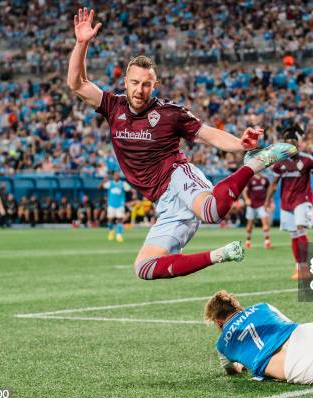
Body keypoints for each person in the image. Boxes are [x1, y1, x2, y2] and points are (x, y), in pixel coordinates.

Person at [67, 8, 297, 280]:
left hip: (177, 176)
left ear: (155, 85)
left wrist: (241, 144)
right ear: (125, 82)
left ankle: (253, 165)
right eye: (135, 83)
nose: (140, 90)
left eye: (147, 84)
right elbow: (77, 83)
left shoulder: (170, 113)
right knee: (144, 268)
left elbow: (208, 133)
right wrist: (82, 44)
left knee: (212, 212)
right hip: (164, 202)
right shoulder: (112, 105)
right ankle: (220, 254)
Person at [265, 124, 313, 280]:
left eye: (294, 143)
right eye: (288, 143)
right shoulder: (279, 163)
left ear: (299, 144)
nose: (292, 146)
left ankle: (306, 267)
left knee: (300, 229)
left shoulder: (308, 160)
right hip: (286, 202)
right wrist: (268, 200)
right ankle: (299, 267)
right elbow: (274, 184)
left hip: (302, 200)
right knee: (293, 234)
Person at [242, 173, 273, 250]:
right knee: (249, 224)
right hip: (251, 205)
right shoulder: (250, 179)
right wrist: (246, 199)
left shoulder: (265, 179)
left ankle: (267, 242)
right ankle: (248, 241)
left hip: (262, 204)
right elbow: (244, 191)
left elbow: (269, 190)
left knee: (265, 222)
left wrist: (270, 201)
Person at [101, 172, 131, 242]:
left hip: (120, 204)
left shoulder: (123, 183)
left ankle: (119, 235)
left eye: (117, 175)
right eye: (115, 175)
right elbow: (100, 187)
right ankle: (111, 231)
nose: (116, 176)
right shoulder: (110, 183)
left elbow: (129, 189)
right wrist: (104, 180)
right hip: (111, 204)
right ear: (113, 176)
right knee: (110, 219)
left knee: (120, 220)